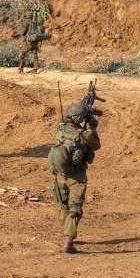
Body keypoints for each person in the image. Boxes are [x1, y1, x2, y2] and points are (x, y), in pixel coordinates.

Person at [48, 101, 101, 254]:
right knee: (75, 208)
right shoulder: (84, 135)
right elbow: (96, 145)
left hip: (60, 175)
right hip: (76, 176)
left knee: (64, 205)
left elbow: (64, 120)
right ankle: (68, 243)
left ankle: (67, 232)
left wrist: (81, 107)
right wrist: (93, 129)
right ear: (80, 118)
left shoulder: (59, 130)